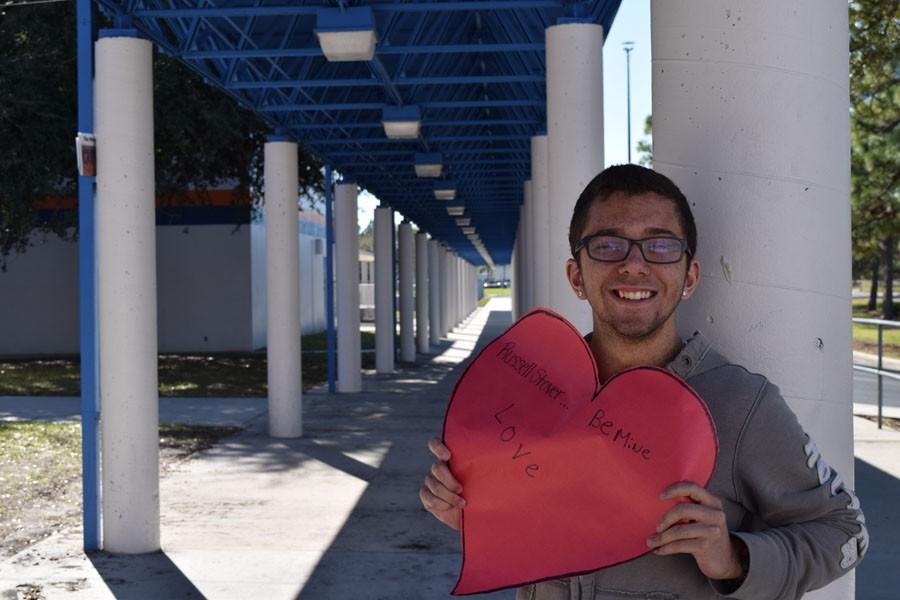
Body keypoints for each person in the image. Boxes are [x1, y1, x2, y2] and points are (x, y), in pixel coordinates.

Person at [419, 165, 867, 599]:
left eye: (661, 246)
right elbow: (533, 527)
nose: (634, 265)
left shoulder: (739, 404)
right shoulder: (530, 390)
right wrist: (475, 511)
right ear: (577, 276)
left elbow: (846, 532)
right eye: (609, 245)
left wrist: (734, 558)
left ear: (689, 277)